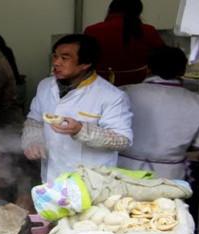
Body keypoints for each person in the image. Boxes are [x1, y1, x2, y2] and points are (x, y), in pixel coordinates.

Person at [22, 34, 133, 183]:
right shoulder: (45, 86)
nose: (56, 62)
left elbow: (122, 140)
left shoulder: (112, 96)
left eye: (65, 58)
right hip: (52, 178)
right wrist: (32, 140)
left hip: (91, 183)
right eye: (55, 56)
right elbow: (34, 120)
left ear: (85, 63)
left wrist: (81, 130)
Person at [118, 46, 199, 180]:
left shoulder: (124, 92)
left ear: (148, 68)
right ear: (183, 70)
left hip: (122, 170)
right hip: (169, 177)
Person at [84, 0, 164, 86]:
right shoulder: (148, 31)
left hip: (99, 84)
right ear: (138, 12)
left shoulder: (92, 30)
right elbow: (163, 58)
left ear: (110, 10)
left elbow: (84, 59)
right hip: (138, 84)